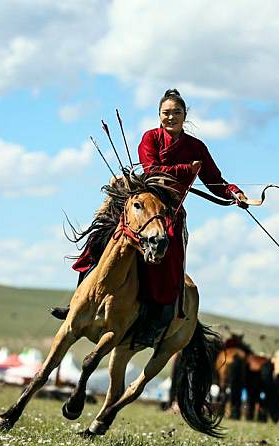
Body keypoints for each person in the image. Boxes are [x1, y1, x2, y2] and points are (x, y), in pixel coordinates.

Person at [50, 89, 247, 321]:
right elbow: (151, 169)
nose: (171, 117)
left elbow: (215, 181)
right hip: (142, 206)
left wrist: (235, 194)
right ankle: (78, 302)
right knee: (99, 239)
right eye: (166, 113)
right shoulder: (150, 138)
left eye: (176, 112)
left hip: (170, 213)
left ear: (185, 115)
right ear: (159, 115)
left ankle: (158, 313)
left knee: (171, 254)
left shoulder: (197, 147)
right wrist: (186, 170)